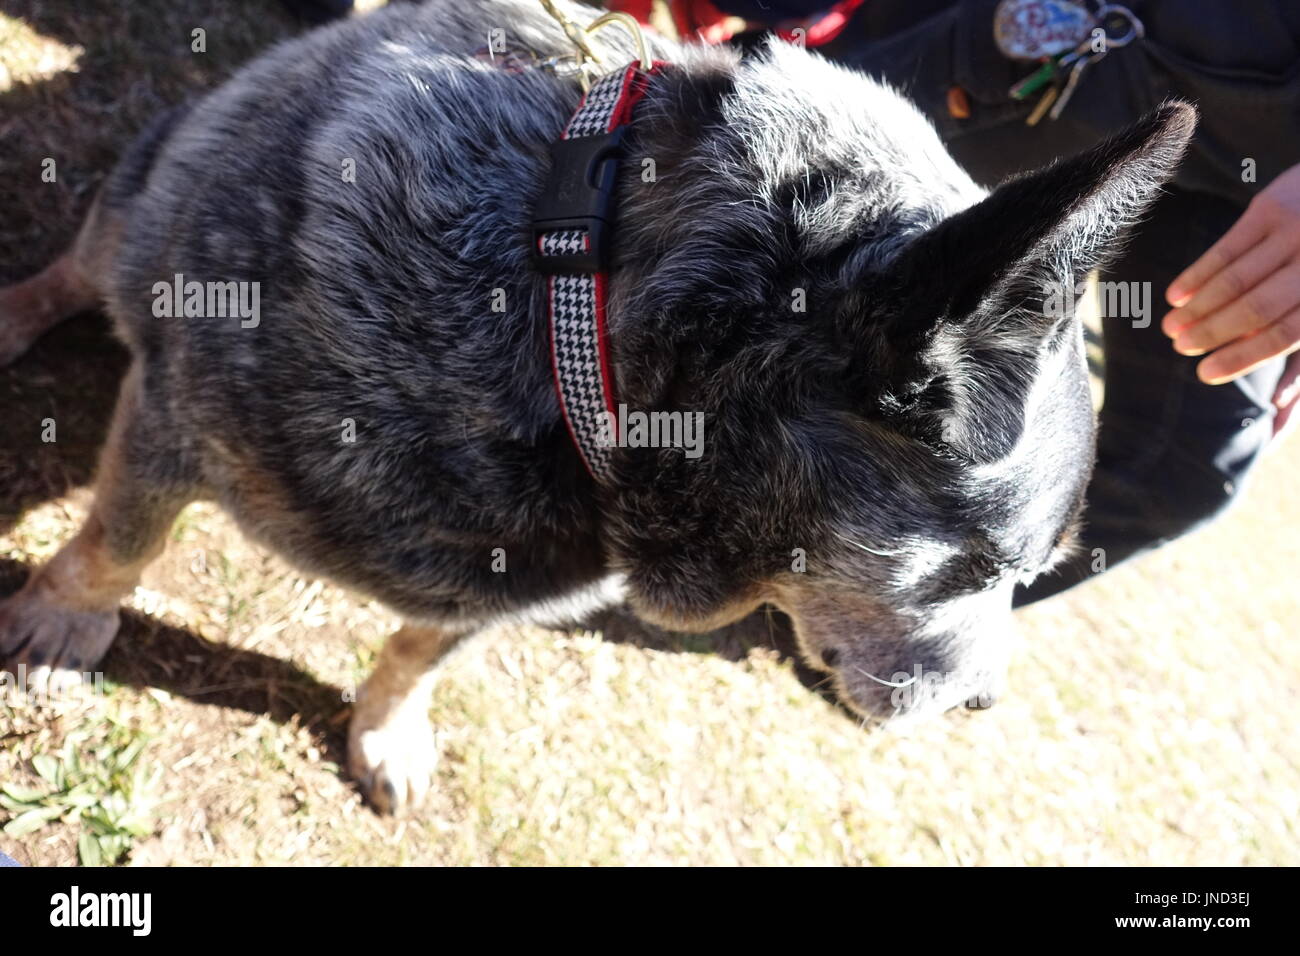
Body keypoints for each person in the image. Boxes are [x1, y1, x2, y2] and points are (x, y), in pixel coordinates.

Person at [651, 0, 1300, 603]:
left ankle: (851, 600)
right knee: (742, 174)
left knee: (1186, 468)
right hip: (1114, 42)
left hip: (1247, 166)